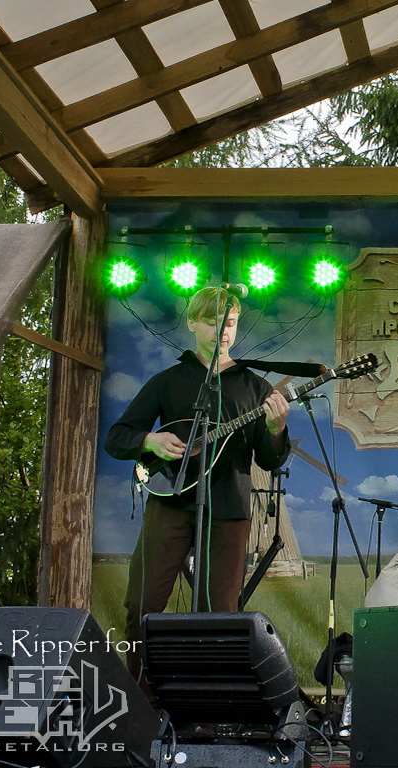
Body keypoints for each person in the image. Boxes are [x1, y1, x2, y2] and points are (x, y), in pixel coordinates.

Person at [106, 286, 291, 689]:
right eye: (211, 322)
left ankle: (206, 709)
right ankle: (141, 700)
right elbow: (117, 438)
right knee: (143, 603)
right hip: (170, 502)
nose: (222, 331)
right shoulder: (168, 381)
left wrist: (276, 428)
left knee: (218, 615)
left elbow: (270, 460)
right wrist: (150, 440)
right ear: (191, 323)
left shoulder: (256, 388)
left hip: (228, 509)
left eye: (230, 323)